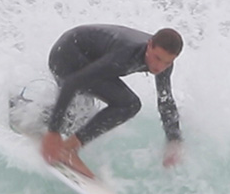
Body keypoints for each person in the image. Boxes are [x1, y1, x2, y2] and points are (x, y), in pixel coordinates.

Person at [41, 24, 184, 178]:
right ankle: (67, 149)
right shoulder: (126, 53)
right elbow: (72, 83)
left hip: (86, 58)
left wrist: (174, 140)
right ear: (149, 45)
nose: (159, 67)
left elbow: (165, 100)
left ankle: (37, 115)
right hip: (65, 57)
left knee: (78, 119)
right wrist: (53, 132)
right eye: (157, 58)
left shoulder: (163, 64)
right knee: (129, 104)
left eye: (167, 62)